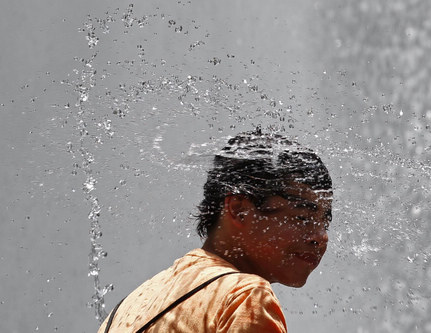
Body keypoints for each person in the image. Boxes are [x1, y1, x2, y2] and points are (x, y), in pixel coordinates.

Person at [98, 129, 333, 332]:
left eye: (326, 222)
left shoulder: (131, 305)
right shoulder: (244, 298)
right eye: (303, 218)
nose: (320, 237)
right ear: (240, 210)